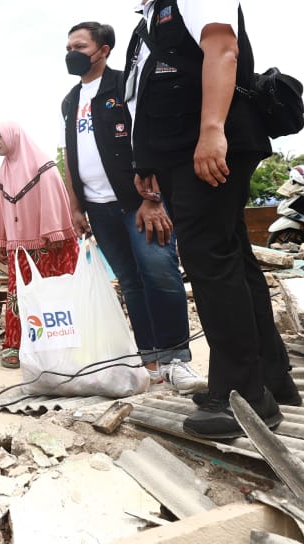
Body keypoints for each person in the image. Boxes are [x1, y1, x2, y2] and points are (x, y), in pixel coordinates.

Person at [116, 0, 298, 440]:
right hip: (179, 156)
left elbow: (223, 51)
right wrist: (146, 161)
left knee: (210, 264)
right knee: (231, 259)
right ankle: (269, 378)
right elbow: (151, 95)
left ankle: (241, 398)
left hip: (209, 149)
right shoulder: (149, 17)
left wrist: (212, 131)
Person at [61, 21, 207, 394]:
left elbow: (150, 140)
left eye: (79, 46)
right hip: (98, 207)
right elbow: (72, 156)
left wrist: (151, 198)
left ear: (103, 49)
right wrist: (76, 208)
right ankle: (152, 360)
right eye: (68, 47)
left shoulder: (126, 84)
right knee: (130, 281)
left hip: (137, 203)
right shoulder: (70, 100)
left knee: (159, 271)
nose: (71, 54)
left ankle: (178, 360)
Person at [0, 121, 79, 370]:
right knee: (18, 296)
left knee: (53, 294)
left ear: (13, 137)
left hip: (49, 244)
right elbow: (3, 211)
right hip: (18, 247)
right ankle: (15, 345)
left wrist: (51, 233)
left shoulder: (43, 166)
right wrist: (3, 238)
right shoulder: (3, 174)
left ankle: (59, 342)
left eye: (0, 137)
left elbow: (52, 201)